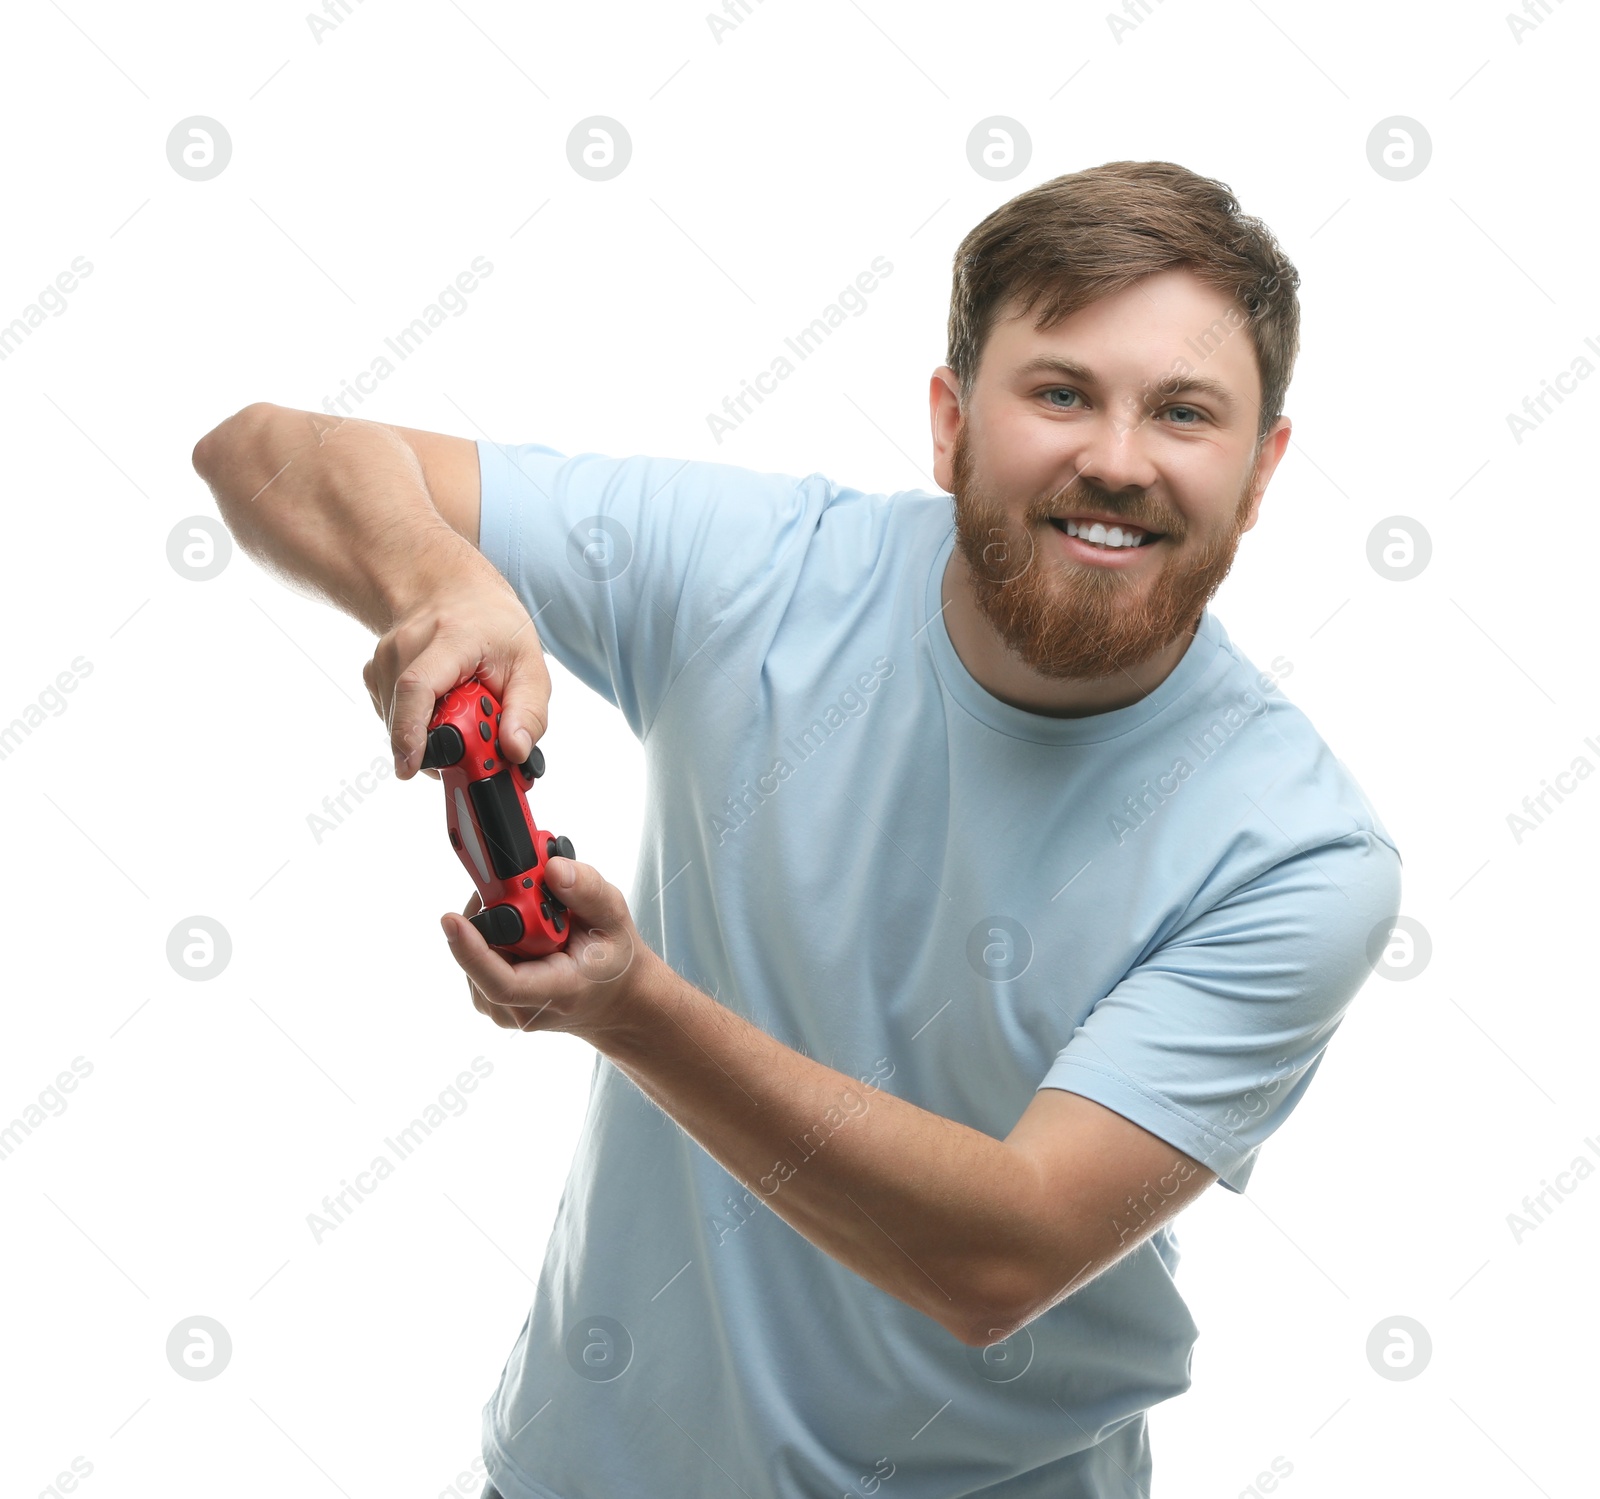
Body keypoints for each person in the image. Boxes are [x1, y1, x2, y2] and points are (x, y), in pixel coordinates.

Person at [192, 159, 1402, 1499]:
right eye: (1059, 391)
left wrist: (633, 1006)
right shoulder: (759, 572)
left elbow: (998, 1257)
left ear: (1262, 467)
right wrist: (444, 586)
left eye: (1183, 412)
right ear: (950, 425)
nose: (1115, 459)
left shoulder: (1297, 855)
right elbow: (267, 449)